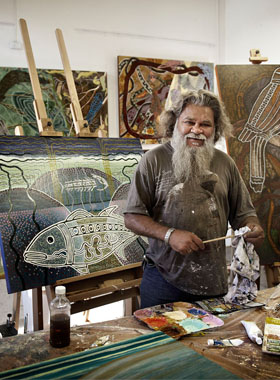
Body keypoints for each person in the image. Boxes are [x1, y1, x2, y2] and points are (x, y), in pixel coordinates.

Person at [124, 88, 264, 308]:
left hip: (214, 283)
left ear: (215, 130)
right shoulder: (152, 160)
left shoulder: (225, 163)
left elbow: (244, 215)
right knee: (161, 343)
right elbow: (132, 217)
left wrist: (252, 227)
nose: (197, 130)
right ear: (175, 123)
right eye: (189, 122)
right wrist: (170, 235)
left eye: (205, 125)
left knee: (212, 342)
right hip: (163, 281)